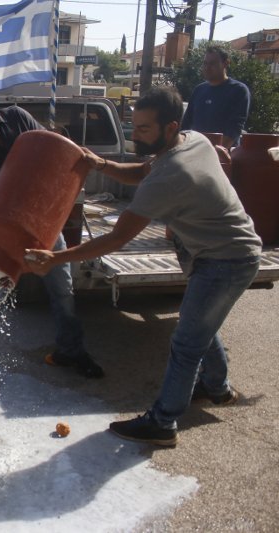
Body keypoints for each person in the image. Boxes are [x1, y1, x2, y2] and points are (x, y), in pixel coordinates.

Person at [25, 87, 261, 447]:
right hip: (223, 252)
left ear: (170, 126)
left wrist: (56, 258)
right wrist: (102, 164)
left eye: (144, 129)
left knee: (186, 342)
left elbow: (116, 239)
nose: (135, 134)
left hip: (225, 260)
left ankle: (163, 423)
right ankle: (217, 387)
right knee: (198, 322)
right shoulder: (192, 141)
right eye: (134, 126)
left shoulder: (172, 173)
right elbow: (142, 171)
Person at [0, 77, 103, 381]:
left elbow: (49, 150)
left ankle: (70, 350)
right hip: (3, 229)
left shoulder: (17, 118)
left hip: (42, 223)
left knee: (62, 289)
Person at [180, 46, 250, 150]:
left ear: (226, 63)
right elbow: (186, 125)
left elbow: (235, 127)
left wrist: (217, 152)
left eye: (212, 63)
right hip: (195, 152)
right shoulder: (199, 90)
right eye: (205, 63)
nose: (207, 67)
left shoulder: (238, 90)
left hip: (222, 156)